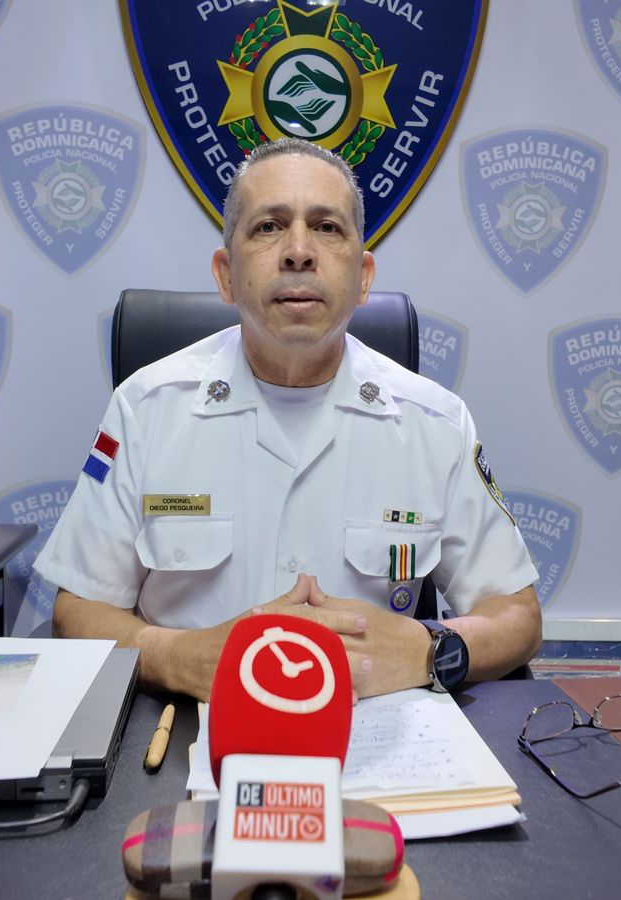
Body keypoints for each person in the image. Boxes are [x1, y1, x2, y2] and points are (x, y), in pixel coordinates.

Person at [37, 137, 541, 701]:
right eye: (268, 226)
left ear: (363, 276)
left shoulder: (436, 422)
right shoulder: (145, 408)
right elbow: (79, 610)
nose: (299, 251)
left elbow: (515, 613)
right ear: (226, 275)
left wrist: (428, 649)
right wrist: (182, 658)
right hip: (189, 722)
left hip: (375, 726)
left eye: (326, 227)